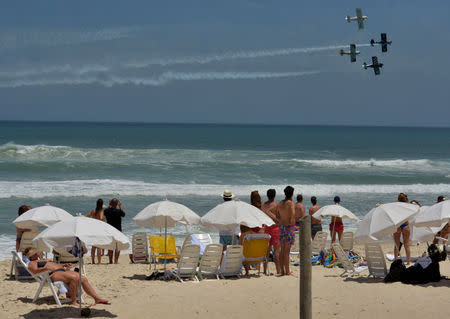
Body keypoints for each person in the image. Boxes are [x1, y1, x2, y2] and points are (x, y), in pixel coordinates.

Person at [24, 247, 108, 307]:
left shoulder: (42, 260)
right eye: (34, 253)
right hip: (52, 274)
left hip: (61, 271)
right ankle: (74, 301)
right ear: (30, 256)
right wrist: (46, 268)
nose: (36, 254)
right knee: (74, 278)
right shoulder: (32, 263)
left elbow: (55, 265)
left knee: (82, 278)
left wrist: (63, 265)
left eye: (36, 252)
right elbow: (34, 271)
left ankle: (97, 299)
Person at [275, 186, 295, 276]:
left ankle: (282, 271)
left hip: (281, 227)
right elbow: (293, 215)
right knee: (286, 251)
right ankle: (287, 271)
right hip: (288, 227)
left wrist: (278, 219)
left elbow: (270, 211)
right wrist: (291, 222)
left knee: (282, 250)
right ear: (292, 194)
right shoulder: (290, 203)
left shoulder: (280, 203)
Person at [262, 189, 281, 275]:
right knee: (276, 251)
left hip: (266, 229)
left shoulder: (263, 205)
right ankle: (278, 270)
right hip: (275, 229)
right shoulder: (276, 206)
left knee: (266, 251)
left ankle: (265, 270)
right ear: (274, 195)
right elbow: (279, 219)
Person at [104, 198, 125, 264]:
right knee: (117, 246)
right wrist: (120, 206)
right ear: (117, 204)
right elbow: (124, 214)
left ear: (110, 203)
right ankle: (116, 261)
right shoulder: (119, 211)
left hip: (109, 230)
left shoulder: (107, 210)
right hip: (118, 230)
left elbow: (104, 212)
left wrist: (109, 205)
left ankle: (110, 261)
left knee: (110, 246)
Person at [86, 199, 105, 264]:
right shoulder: (101, 211)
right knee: (99, 247)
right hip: (99, 229)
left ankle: (93, 261)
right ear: (102, 204)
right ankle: (99, 262)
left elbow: (87, 216)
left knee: (93, 247)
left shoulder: (93, 211)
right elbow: (101, 218)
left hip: (93, 229)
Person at [394, 193, 411, 264]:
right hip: (405, 225)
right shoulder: (408, 205)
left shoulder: (395, 205)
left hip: (398, 225)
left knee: (396, 245)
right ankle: (408, 262)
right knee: (406, 245)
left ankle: (395, 260)